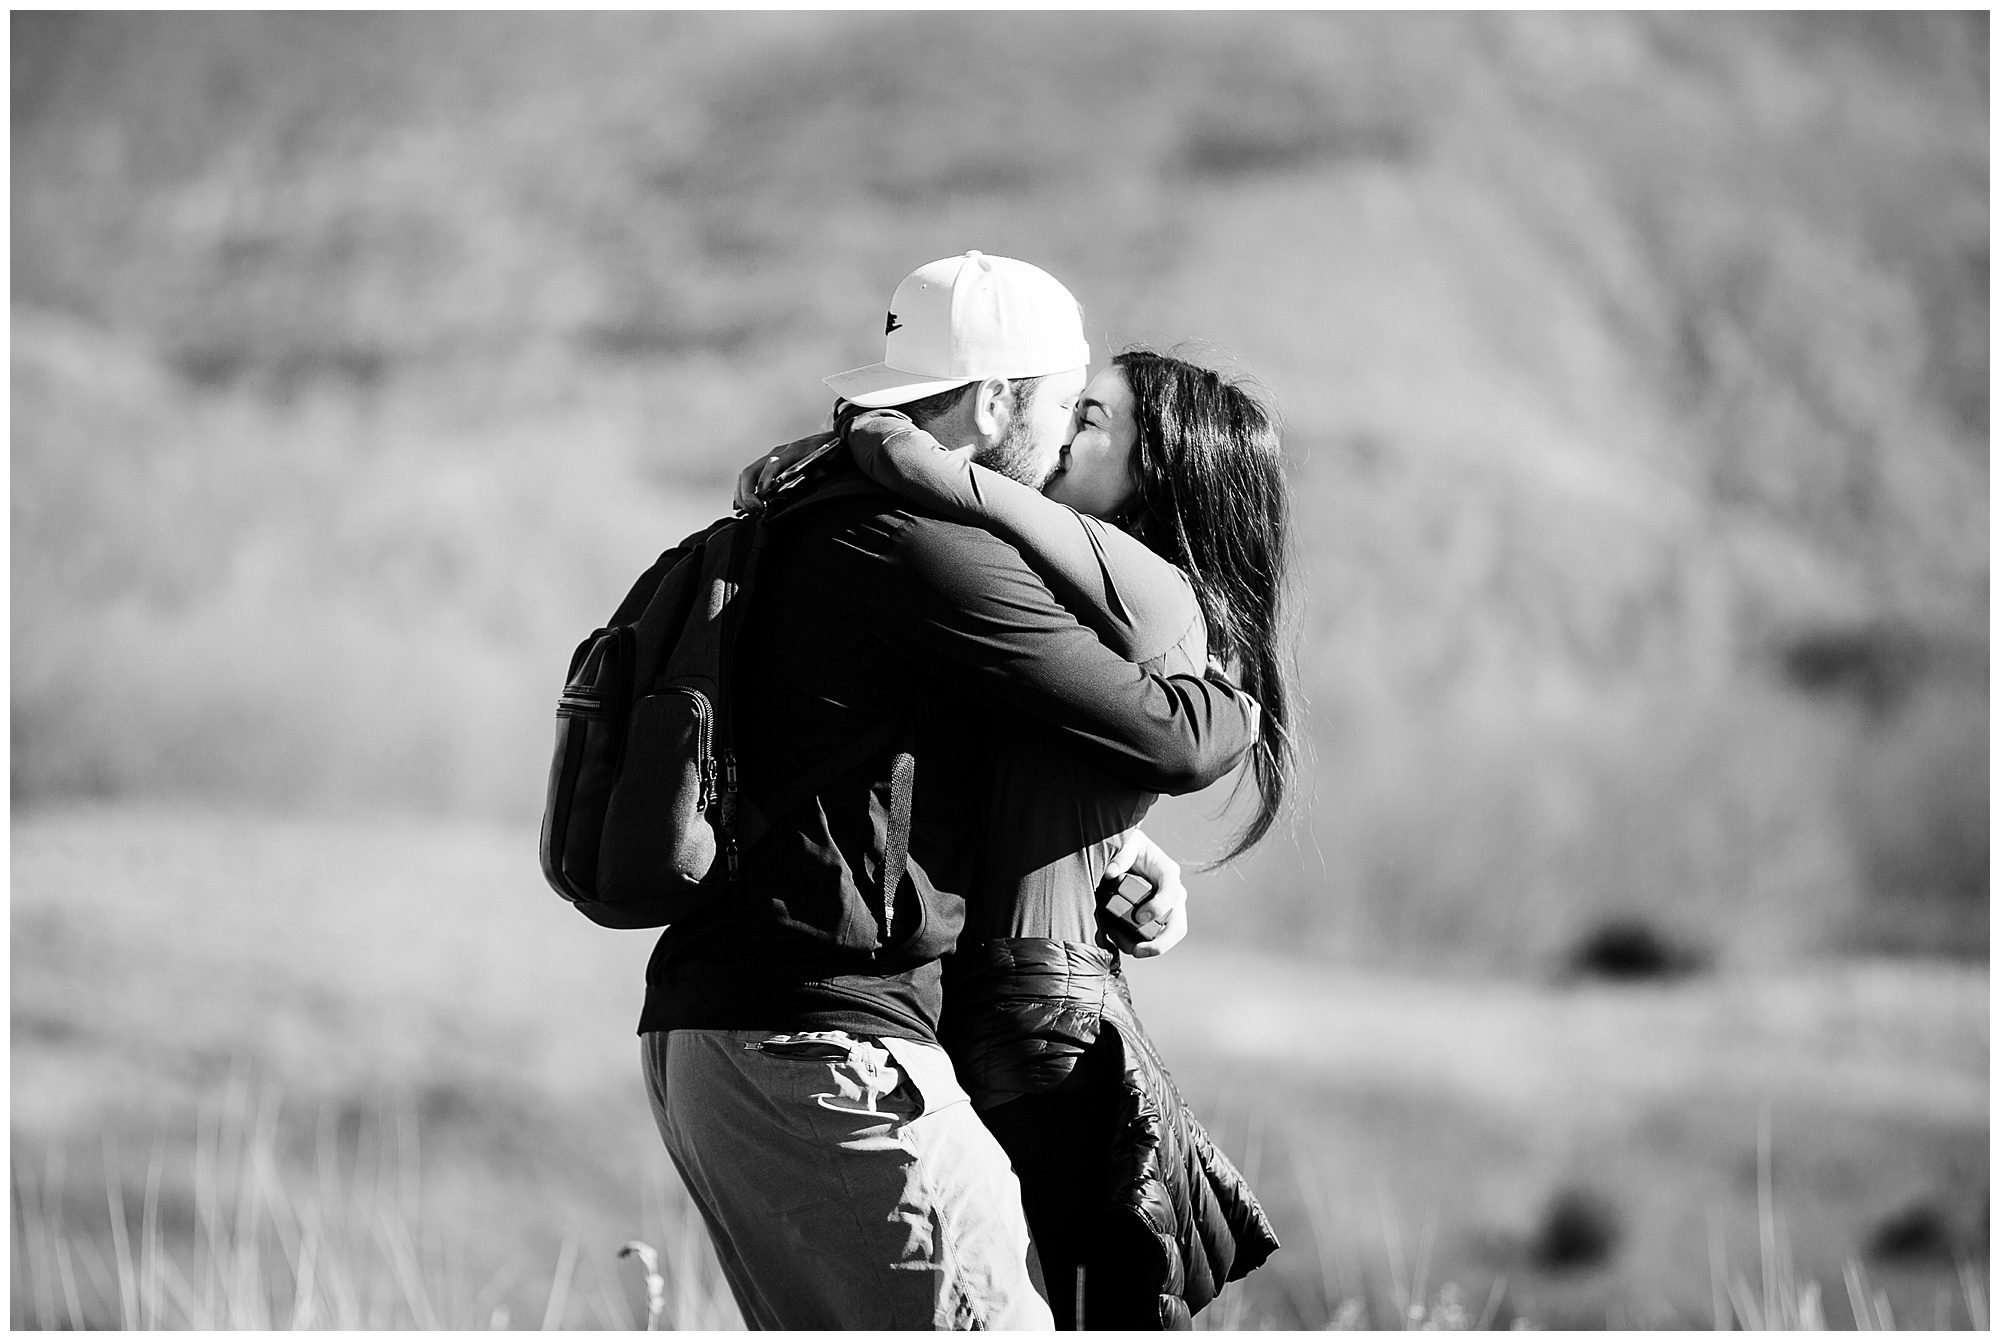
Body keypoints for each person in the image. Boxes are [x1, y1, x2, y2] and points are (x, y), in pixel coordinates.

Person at [638, 252, 1263, 1331]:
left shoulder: (826, 506)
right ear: (994, 399)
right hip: (824, 1049)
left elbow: (905, 760)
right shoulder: (931, 553)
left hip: (741, 1035)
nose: (1068, 435)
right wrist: (1240, 712)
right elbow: (1177, 734)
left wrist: (1118, 857)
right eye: (1067, 407)